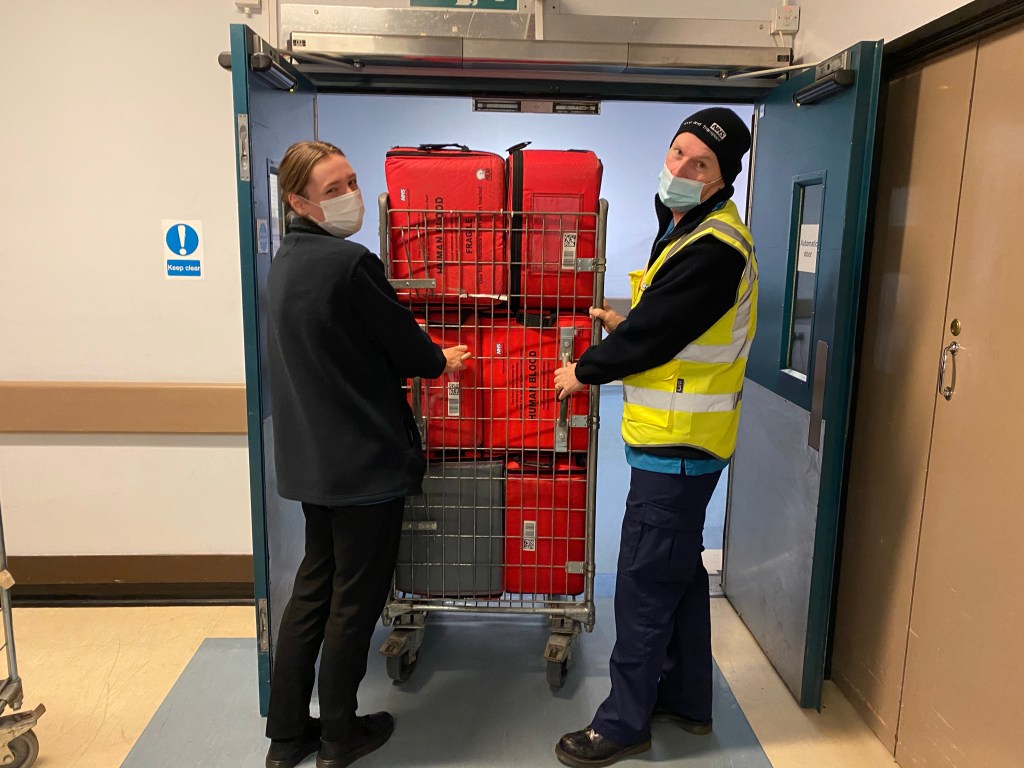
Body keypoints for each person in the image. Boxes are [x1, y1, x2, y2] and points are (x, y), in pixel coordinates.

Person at [552, 108, 757, 767]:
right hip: (685, 440)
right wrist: (629, 325)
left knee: (643, 583)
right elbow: (676, 324)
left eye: (700, 163)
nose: (681, 168)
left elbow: (659, 333)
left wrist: (585, 369)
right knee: (679, 574)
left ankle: (623, 724)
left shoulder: (714, 245)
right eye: (677, 153)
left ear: (723, 176)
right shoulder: (687, 225)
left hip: (679, 446)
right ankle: (688, 701)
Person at [263, 140, 471, 768]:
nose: (350, 195)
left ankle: (286, 737)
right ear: (298, 202)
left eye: (351, 181)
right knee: (353, 603)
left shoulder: (285, 261)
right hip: (362, 466)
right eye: (333, 189)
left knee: (312, 592)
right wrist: (440, 359)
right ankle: (338, 737)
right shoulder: (350, 263)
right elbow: (407, 348)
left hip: (312, 462)